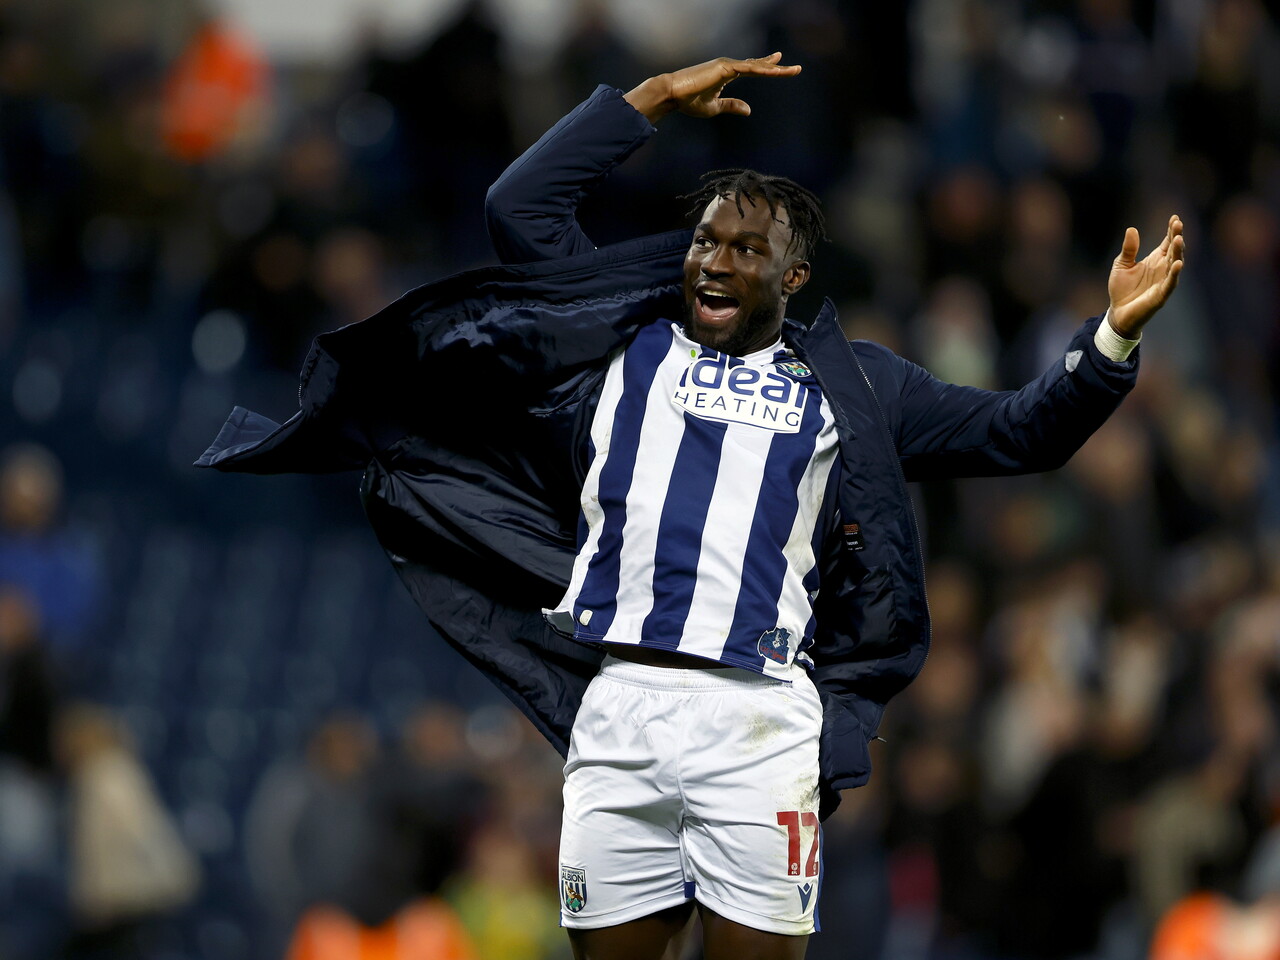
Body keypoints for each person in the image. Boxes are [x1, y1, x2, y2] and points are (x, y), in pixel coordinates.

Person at [199, 53, 1183, 960]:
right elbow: (520, 209)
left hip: (755, 720)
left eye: (744, 249)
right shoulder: (623, 341)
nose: (715, 261)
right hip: (620, 706)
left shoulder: (853, 384)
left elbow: (1020, 432)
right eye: (705, 241)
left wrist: (1108, 341)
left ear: (789, 277)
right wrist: (641, 104)